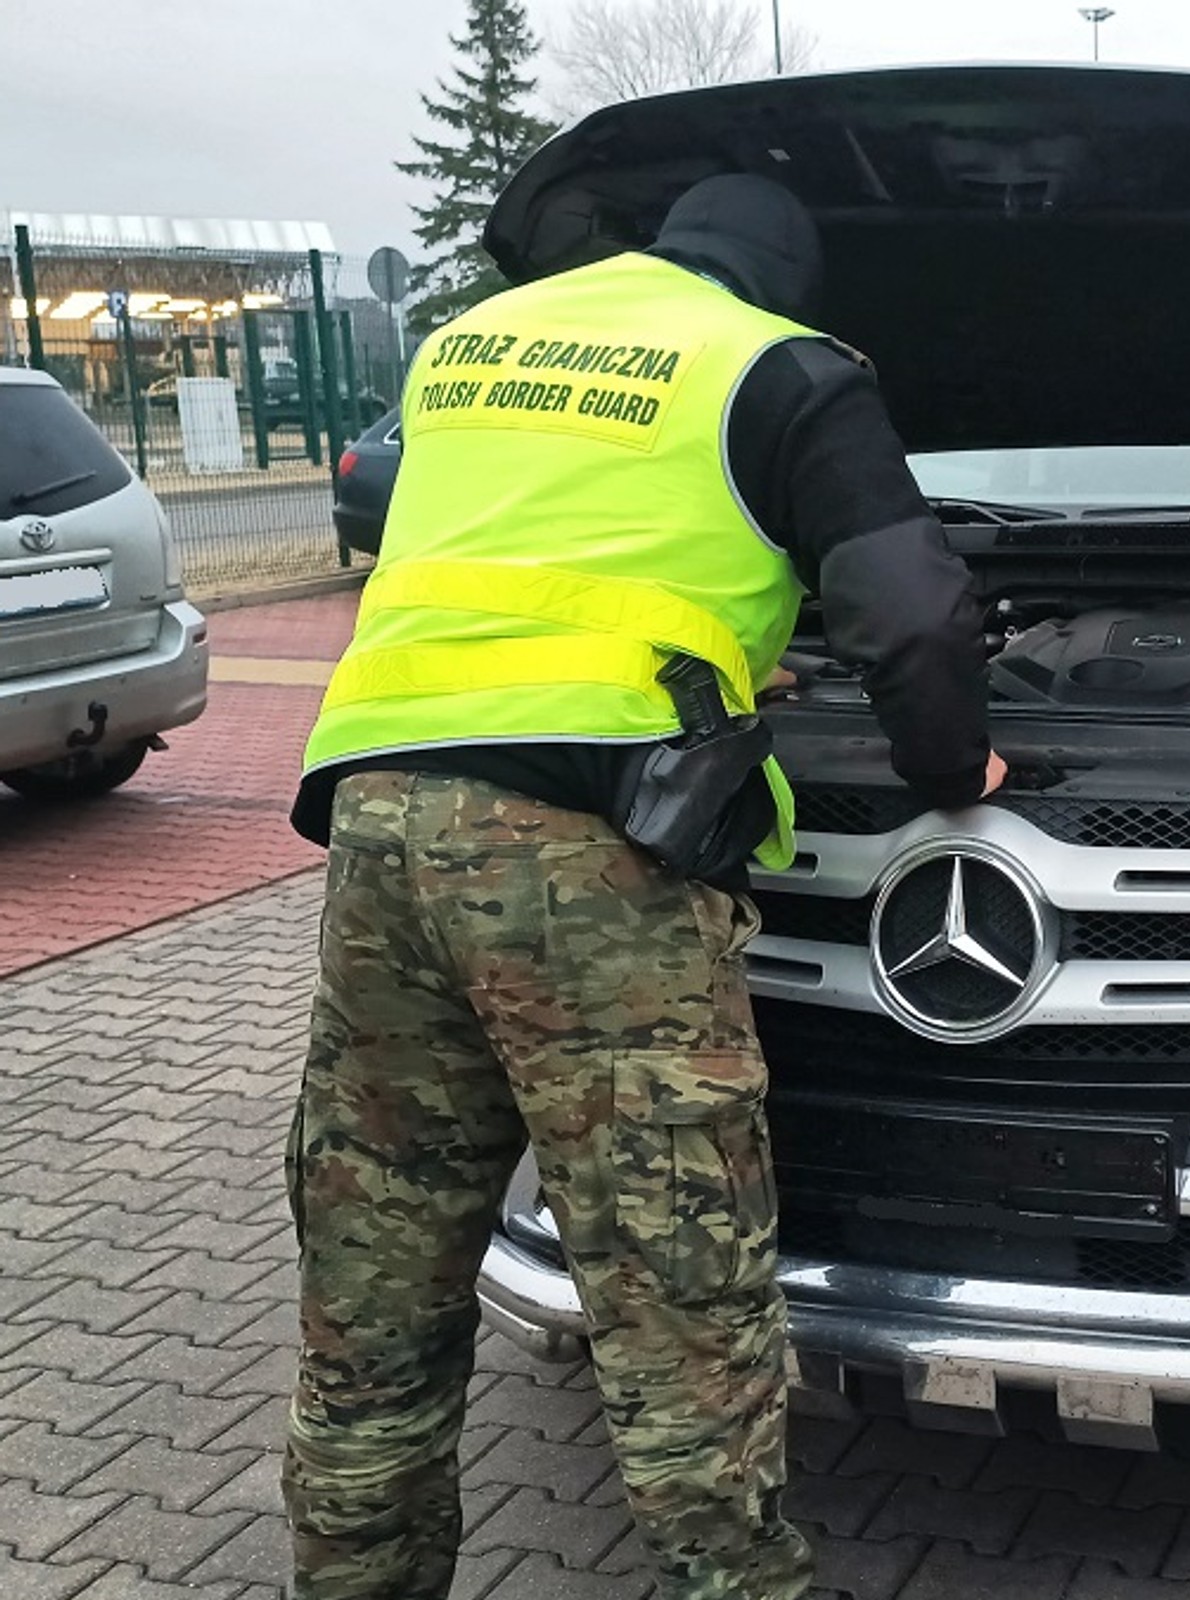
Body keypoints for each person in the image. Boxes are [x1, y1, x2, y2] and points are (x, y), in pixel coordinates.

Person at [280, 173, 1000, 1600]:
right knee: (677, 1288)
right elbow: (916, 619)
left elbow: (556, 557)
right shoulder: (777, 365)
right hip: (584, 864)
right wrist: (949, 771)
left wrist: (725, 645)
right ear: (780, 282)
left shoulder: (475, 344)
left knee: (376, 1278)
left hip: (378, 818)